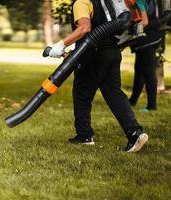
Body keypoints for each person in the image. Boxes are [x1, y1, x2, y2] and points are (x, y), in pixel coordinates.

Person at [48, 0, 148, 152]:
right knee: (114, 93)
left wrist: (61, 45)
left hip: (93, 53)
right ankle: (134, 132)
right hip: (113, 51)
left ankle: (84, 136)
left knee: (82, 93)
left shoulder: (82, 2)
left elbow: (85, 28)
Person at [129, 0, 167, 112]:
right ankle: (132, 100)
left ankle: (152, 106)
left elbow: (144, 21)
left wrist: (130, 32)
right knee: (140, 69)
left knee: (148, 72)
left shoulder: (139, 1)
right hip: (149, 36)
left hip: (148, 38)